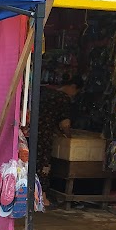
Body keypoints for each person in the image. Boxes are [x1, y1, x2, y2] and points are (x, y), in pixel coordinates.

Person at [32, 77, 80, 206]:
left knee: (31, 162)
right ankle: (42, 197)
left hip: (30, 132)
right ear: (73, 87)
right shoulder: (63, 98)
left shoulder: (45, 92)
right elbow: (65, 124)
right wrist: (69, 136)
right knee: (43, 164)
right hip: (44, 136)